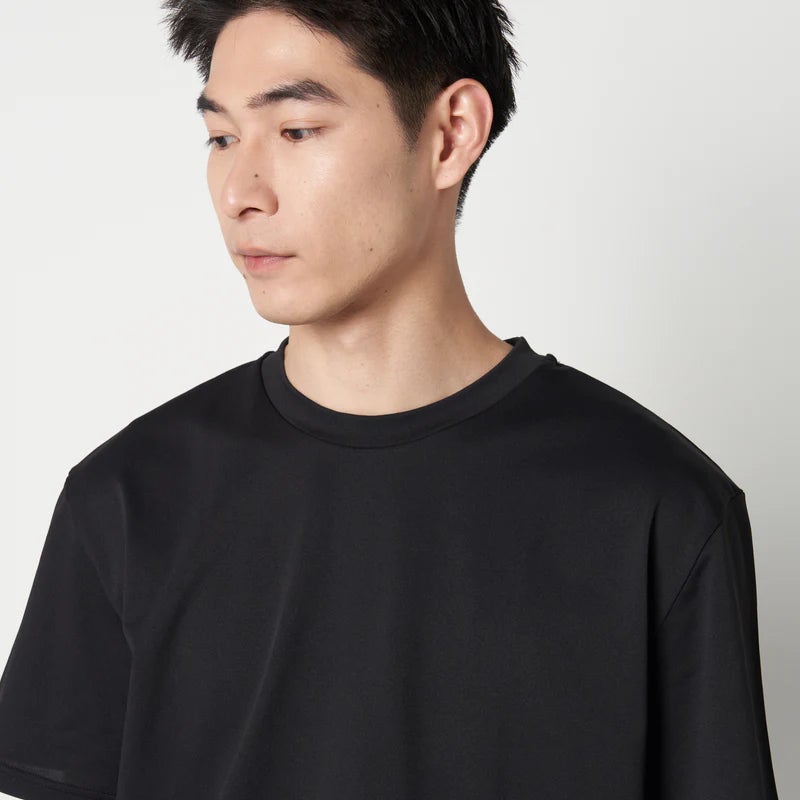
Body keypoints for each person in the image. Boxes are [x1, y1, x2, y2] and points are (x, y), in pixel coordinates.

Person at [0, 2, 780, 798]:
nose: (240, 192)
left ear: (450, 135)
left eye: (296, 130)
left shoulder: (659, 508)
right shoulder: (128, 497)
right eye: (222, 137)